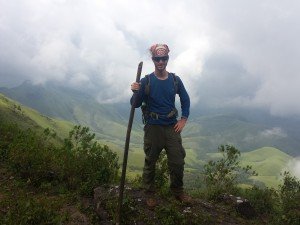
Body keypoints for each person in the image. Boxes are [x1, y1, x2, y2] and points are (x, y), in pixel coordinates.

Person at [130, 44, 191, 207]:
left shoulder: (175, 80)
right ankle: (149, 193)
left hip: (172, 126)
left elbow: (185, 99)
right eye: (158, 58)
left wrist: (183, 119)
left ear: (167, 59)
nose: (161, 61)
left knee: (178, 161)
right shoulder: (146, 81)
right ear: (153, 60)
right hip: (153, 127)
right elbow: (134, 104)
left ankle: (177, 191)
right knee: (150, 161)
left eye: (164, 58)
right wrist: (135, 90)